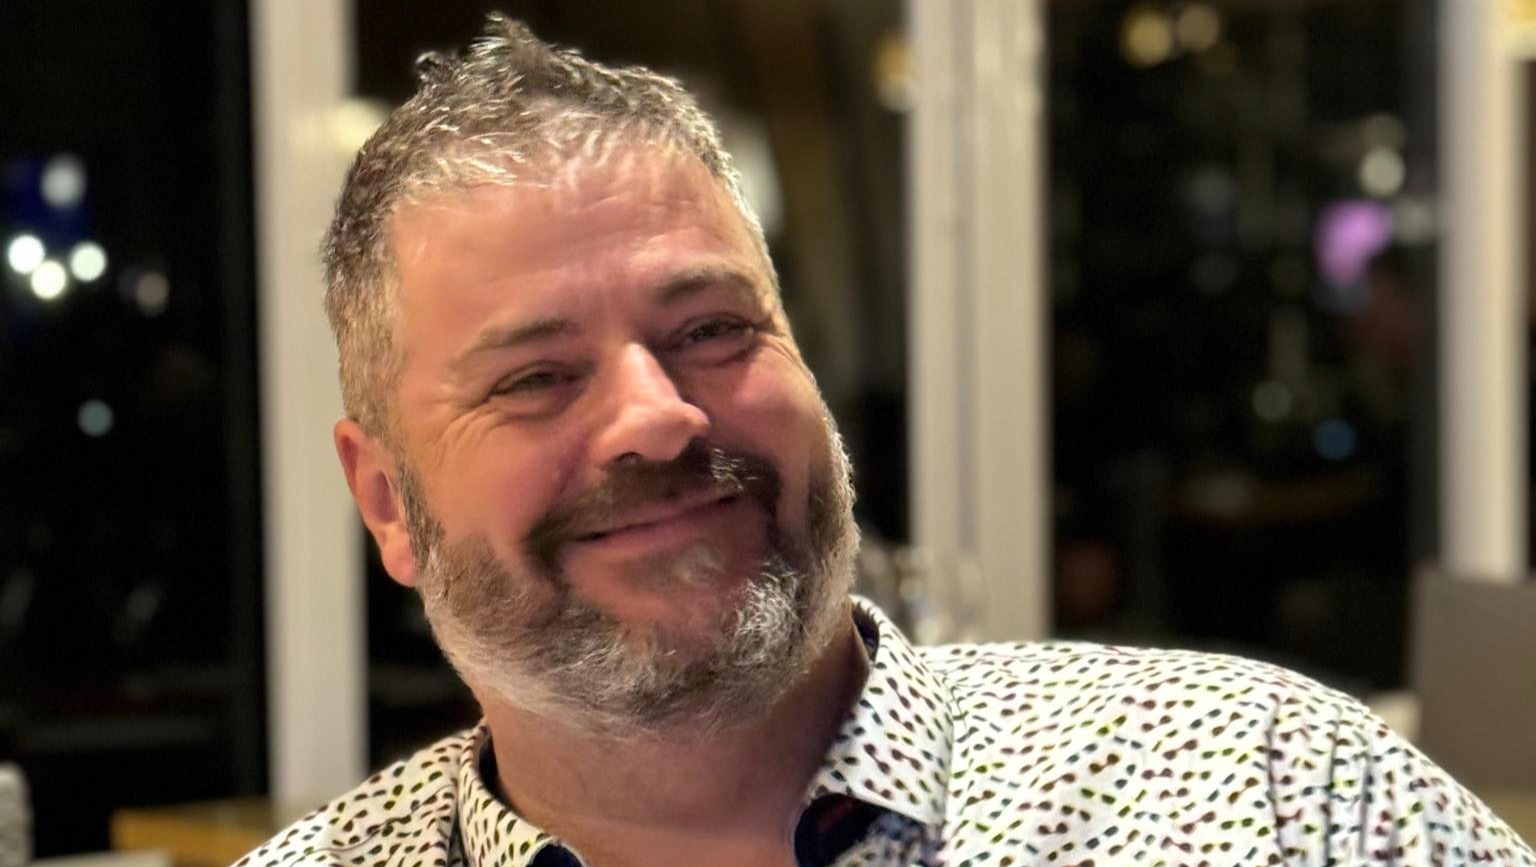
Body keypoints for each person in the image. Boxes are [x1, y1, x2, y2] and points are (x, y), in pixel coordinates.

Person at [239, 14, 1535, 867]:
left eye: (711, 329)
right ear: (388, 503)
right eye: (535, 377)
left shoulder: (1268, 795)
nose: (657, 413)